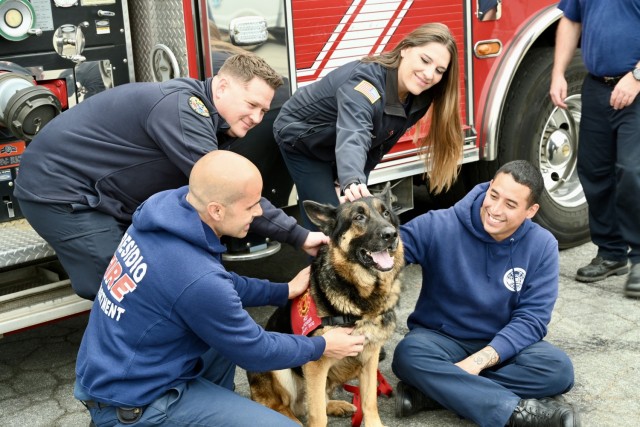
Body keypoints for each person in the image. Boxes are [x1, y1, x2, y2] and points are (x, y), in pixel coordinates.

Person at [74, 151, 366, 427]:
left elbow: (220, 285)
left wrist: (283, 290)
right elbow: (255, 350)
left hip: (116, 370)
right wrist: (323, 346)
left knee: (221, 333)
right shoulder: (195, 277)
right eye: (251, 206)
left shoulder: (169, 212)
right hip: (134, 404)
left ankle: (212, 409)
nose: (258, 213)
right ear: (216, 210)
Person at [14, 53, 327, 300]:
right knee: (122, 283)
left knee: (165, 271)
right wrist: (299, 235)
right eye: (252, 105)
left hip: (107, 195)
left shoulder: (212, 119)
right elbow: (228, 191)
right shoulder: (184, 110)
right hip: (61, 190)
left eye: (264, 110)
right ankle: (126, 370)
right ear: (221, 88)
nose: (257, 118)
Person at [392, 160, 581, 427]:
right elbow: (387, 255)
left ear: (531, 210)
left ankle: (433, 393)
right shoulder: (440, 224)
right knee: (408, 355)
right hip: (440, 339)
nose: (494, 209)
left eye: (510, 205)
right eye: (493, 195)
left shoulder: (543, 245)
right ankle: (517, 413)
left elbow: (533, 319)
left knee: (558, 370)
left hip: (503, 344)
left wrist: (480, 361)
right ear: (489, 186)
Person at [273, 23, 462, 230]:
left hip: (337, 144)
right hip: (303, 140)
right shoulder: (364, 84)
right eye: (425, 60)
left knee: (357, 217)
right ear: (405, 49)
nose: (428, 74)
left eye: (439, 70)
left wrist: (345, 182)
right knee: (333, 225)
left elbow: (378, 144)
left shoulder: (418, 96)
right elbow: (355, 133)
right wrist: (351, 180)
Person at [549, 0, 640, 298]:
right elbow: (571, 21)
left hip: (636, 87)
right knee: (593, 169)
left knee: (632, 170)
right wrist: (558, 73)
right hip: (597, 87)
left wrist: (637, 76)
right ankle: (612, 252)